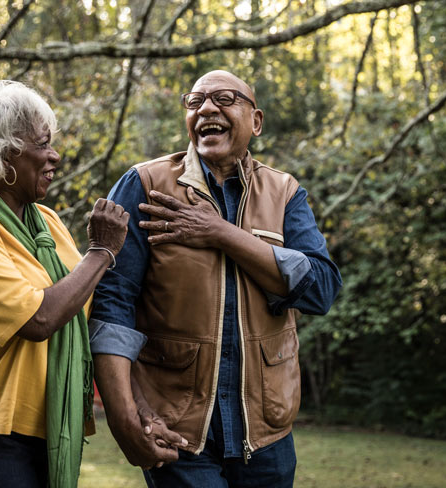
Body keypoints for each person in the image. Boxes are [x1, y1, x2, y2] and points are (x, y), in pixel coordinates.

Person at [89, 70, 342, 487]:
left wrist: (220, 232)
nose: (207, 108)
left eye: (225, 98)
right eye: (195, 102)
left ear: (256, 121)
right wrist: (124, 416)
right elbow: (112, 307)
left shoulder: (285, 193)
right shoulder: (145, 185)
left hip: (268, 436)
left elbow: (321, 290)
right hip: (177, 432)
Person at [0, 80, 129, 488]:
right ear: (1, 153)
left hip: (44, 420)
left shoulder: (46, 224)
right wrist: (102, 253)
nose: (54, 156)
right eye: (42, 144)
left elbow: (87, 304)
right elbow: (38, 317)